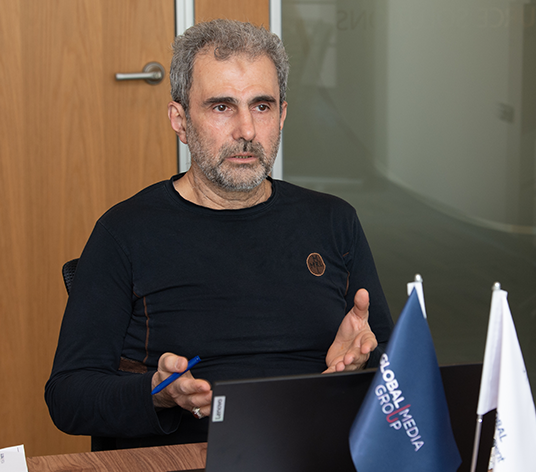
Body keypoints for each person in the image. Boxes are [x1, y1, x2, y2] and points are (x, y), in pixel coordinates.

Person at [45, 19, 394, 450]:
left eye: (262, 106)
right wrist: (158, 393)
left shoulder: (334, 221)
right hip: (186, 456)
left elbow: (396, 370)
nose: (246, 131)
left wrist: (361, 365)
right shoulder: (124, 232)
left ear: (282, 115)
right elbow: (68, 395)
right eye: (222, 107)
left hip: (312, 447)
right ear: (180, 120)